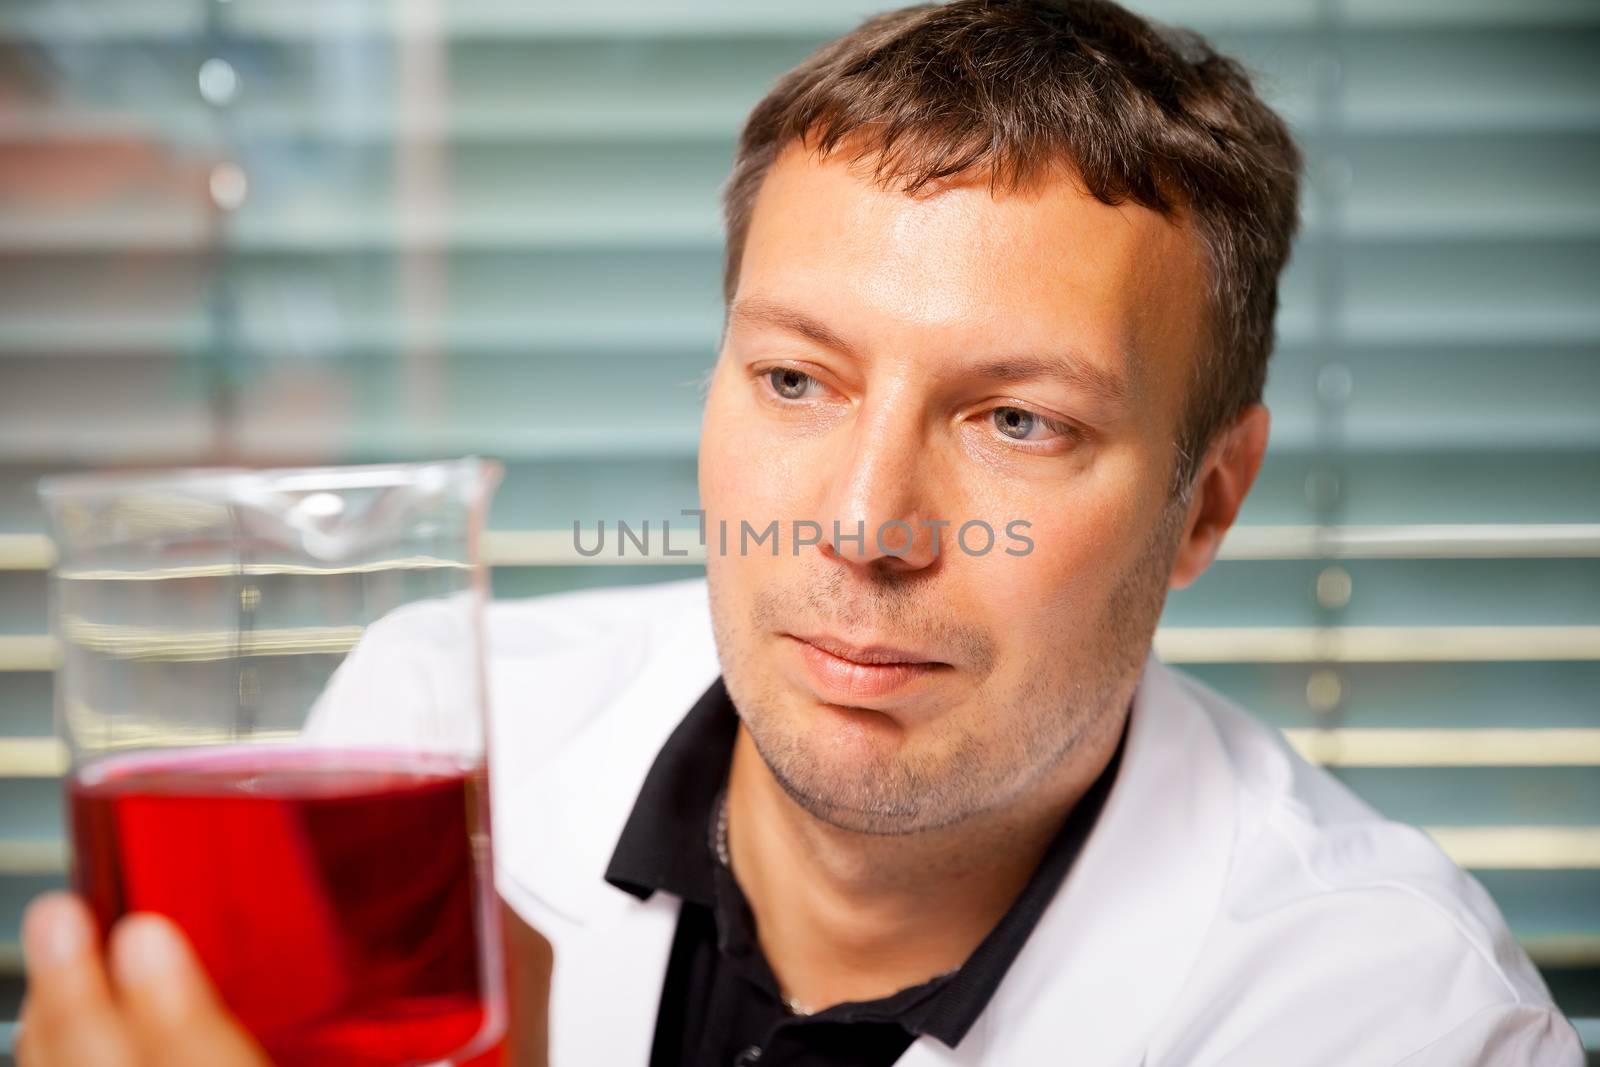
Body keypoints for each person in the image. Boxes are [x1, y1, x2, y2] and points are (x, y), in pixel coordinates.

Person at [17, 1, 1585, 1064]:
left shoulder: (1382, 1012)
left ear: (1209, 504)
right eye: (793, 378)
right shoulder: (432, 737)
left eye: (1018, 421)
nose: (862, 524)